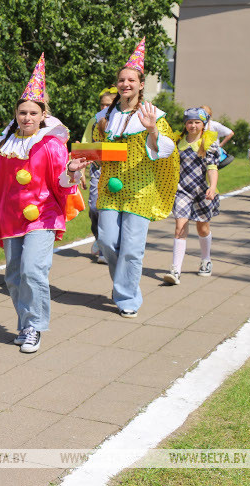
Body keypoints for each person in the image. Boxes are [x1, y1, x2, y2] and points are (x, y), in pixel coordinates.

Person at [0, 54, 89, 353]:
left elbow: (62, 183)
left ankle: (35, 327)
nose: (27, 118)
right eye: (22, 112)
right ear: (16, 114)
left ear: (42, 116)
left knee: (32, 271)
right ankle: (25, 323)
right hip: (9, 217)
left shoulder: (52, 144)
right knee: (13, 276)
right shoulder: (4, 147)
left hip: (44, 216)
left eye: (32, 113)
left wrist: (72, 172)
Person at [91, 38, 179, 318]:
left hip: (141, 189)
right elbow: (96, 149)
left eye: (131, 80)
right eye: (121, 80)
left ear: (141, 84)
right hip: (109, 188)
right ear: (116, 84)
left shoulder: (152, 114)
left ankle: (127, 297)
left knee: (131, 248)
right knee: (106, 241)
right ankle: (123, 286)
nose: (125, 84)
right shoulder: (104, 116)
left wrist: (152, 129)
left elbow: (165, 150)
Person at [163, 108, 220, 284]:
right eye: (189, 122)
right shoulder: (178, 141)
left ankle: (206, 259)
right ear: (185, 124)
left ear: (203, 124)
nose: (193, 125)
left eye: (197, 122)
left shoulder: (208, 143)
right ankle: (175, 270)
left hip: (202, 191)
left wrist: (212, 186)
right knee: (180, 226)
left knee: (202, 228)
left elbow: (212, 168)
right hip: (182, 190)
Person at [81, 86, 118, 264]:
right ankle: (98, 237)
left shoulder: (121, 121)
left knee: (109, 211)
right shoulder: (93, 121)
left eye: (108, 105)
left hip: (118, 173)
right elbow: (85, 145)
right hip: (97, 170)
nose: (104, 108)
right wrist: (81, 171)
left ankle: (106, 247)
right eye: (102, 104)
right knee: (95, 209)